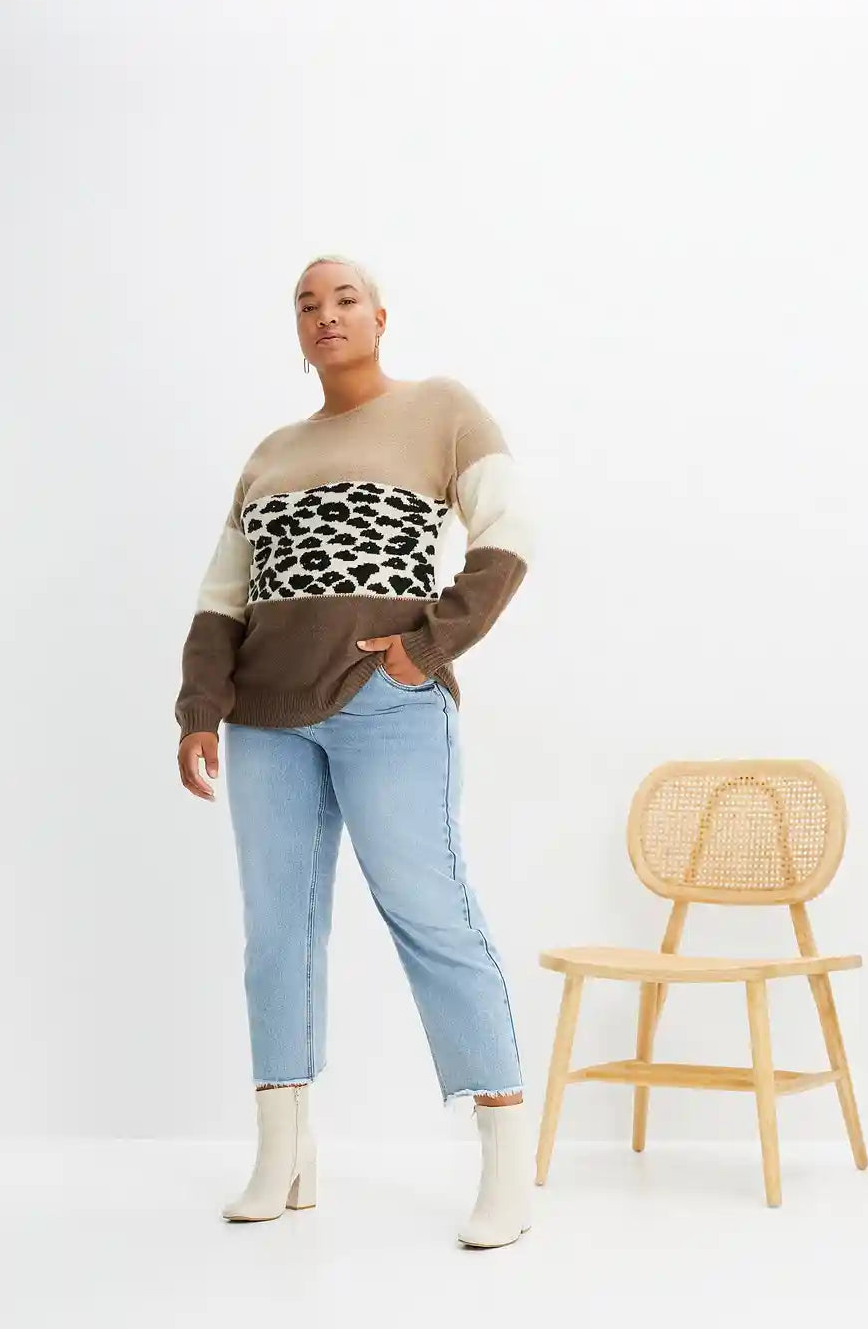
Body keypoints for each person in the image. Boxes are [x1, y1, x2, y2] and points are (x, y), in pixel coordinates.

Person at [174, 254, 536, 1248]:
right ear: (297, 330)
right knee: (276, 932)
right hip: (265, 718)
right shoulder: (271, 453)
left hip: (387, 705)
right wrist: (200, 708)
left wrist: (429, 648)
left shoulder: (441, 409)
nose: (325, 314)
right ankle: (283, 1156)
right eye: (307, 303)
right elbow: (222, 597)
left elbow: (511, 532)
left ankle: (507, 1166)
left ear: (380, 316)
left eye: (344, 299)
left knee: (431, 913)